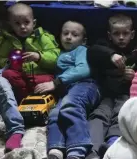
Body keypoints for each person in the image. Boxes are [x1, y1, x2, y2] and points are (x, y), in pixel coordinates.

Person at [34, 20, 100, 159]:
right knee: (54, 114)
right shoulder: (58, 53)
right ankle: (56, 149)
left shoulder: (81, 50)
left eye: (74, 35)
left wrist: (57, 82)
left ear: (83, 40)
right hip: (67, 91)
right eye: (65, 33)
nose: (69, 37)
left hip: (85, 85)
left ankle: (77, 149)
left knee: (70, 106)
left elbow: (84, 69)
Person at [86, 14, 136, 159]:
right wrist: (111, 55)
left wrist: (134, 76)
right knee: (98, 115)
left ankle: (113, 144)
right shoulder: (103, 45)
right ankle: (93, 150)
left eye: (125, 33)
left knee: (122, 114)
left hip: (126, 94)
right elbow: (92, 51)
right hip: (106, 94)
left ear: (132, 34)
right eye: (116, 33)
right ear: (110, 35)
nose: (121, 37)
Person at [0, 3, 60, 102]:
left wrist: (39, 57)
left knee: (45, 80)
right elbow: (0, 58)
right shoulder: (8, 41)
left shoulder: (42, 37)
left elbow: (56, 56)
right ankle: (24, 97)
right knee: (7, 74)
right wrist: (10, 62)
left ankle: (38, 96)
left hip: (40, 74)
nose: (22, 27)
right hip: (20, 77)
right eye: (17, 23)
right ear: (10, 25)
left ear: (33, 23)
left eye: (26, 22)